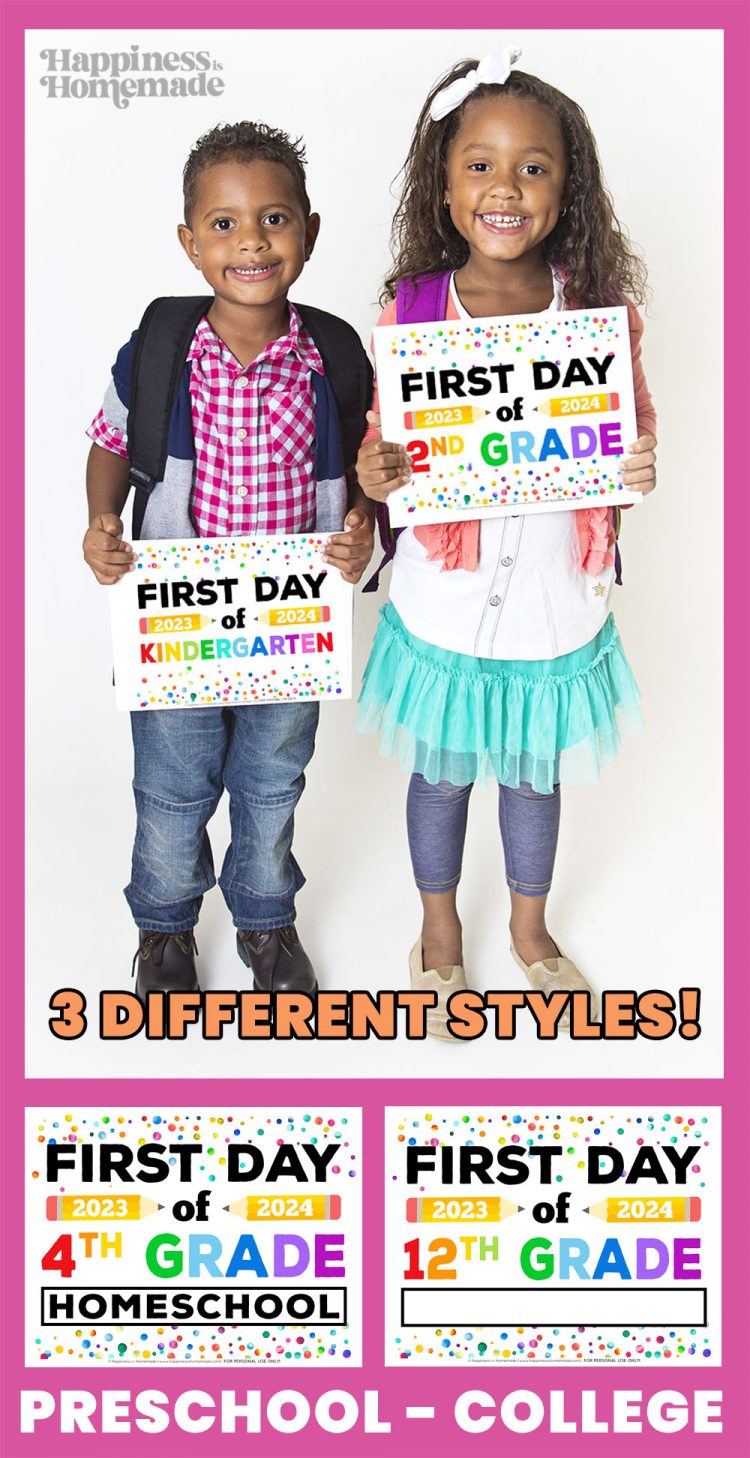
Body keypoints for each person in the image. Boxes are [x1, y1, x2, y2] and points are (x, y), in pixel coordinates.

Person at [356, 51, 657, 1039]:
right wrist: (377, 474)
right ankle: (438, 933)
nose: (505, 188)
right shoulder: (409, 312)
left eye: (533, 167)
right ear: (444, 188)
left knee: (535, 774)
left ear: (566, 190)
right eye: (479, 165)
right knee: (441, 772)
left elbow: (629, 437)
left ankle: (531, 932)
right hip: (445, 602)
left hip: (550, 607)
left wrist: (637, 465)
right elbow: (382, 444)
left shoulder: (602, 319)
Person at [83, 121, 373, 999]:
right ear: (190, 242)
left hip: (291, 625)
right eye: (223, 224)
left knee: (274, 781)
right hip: (177, 620)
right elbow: (108, 440)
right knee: (173, 790)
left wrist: (363, 522)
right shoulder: (163, 347)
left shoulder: (337, 355)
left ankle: (264, 917)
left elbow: (374, 470)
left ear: (310, 233)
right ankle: (165, 929)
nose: (251, 240)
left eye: (275, 219)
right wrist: (101, 519)